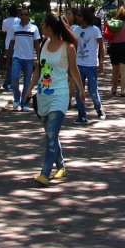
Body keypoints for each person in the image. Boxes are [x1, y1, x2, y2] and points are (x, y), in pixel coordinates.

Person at [32, 12, 81, 186]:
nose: (41, 26)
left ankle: (45, 173)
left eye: (43, 23)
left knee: (51, 134)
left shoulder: (68, 47)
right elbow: (39, 69)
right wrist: (29, 89)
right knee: (50, 134)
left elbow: (74, 71)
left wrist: (80, 90)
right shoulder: (44, 43)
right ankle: (61, 165)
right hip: (43, 95)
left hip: (60, 94)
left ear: (50, 27)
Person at [72, 7, 105, 123]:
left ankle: (99, 109)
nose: (77, 17)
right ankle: (82, 115)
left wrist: (101, 62)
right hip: (78, 65)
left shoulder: (95, 30)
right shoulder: (76, 30)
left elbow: (102, 46)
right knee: (79, 91)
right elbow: (73, 47)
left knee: (92, 90)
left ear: (85, 17)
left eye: (80, 15)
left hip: (91, 65)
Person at [7, 7, 41, 112]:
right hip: (17, 57)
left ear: (29, 16)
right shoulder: (15, 27)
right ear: (19, 16)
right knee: (14, 77)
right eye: (22, 14)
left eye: (26, 14)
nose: (24, 16)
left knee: (27, 81)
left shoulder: (34, 28)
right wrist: (8, 57)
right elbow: (11, 43)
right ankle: (17, 97)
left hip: (29, 58)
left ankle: (24, 103)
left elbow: (37, 44)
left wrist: (39, 59)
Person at [105, 5, 125, 96]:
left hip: (114, 47)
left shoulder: (114, 23)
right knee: (124, 70)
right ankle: (123, 91)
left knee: (115, 70)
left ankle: (114, 88)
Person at [0, 4, 19, 92]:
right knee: (15, 65)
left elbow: (3, 30)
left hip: (8, 45)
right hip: (18, 45)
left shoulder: (5, 21)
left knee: (10, 65)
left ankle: (8, 83)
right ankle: (9, 83)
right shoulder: (19, 21)